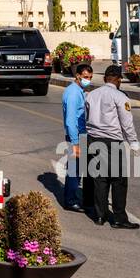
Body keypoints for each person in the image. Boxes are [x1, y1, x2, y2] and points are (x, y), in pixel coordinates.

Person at [84, 64, 140, 229]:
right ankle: (119, 218)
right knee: (118, 181)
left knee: (100, 180)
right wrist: (133, 142)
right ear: (119, 80)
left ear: (104, 79)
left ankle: (99, 216)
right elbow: (127, 123)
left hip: (94, 140)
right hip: (112, 142)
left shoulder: (91, 95)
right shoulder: (120, 97)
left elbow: (86, 118)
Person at [60, 62, 94, 213]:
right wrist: (75, 143)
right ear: (77, 76)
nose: (88, 80)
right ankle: (70, 200)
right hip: (77, 137)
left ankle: (72, 197)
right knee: (74, 169)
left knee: (78, 169)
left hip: (81, 135)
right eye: (86, 77)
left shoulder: (79, 90)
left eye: (90, 77)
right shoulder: (73, 93)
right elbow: (70, 121)